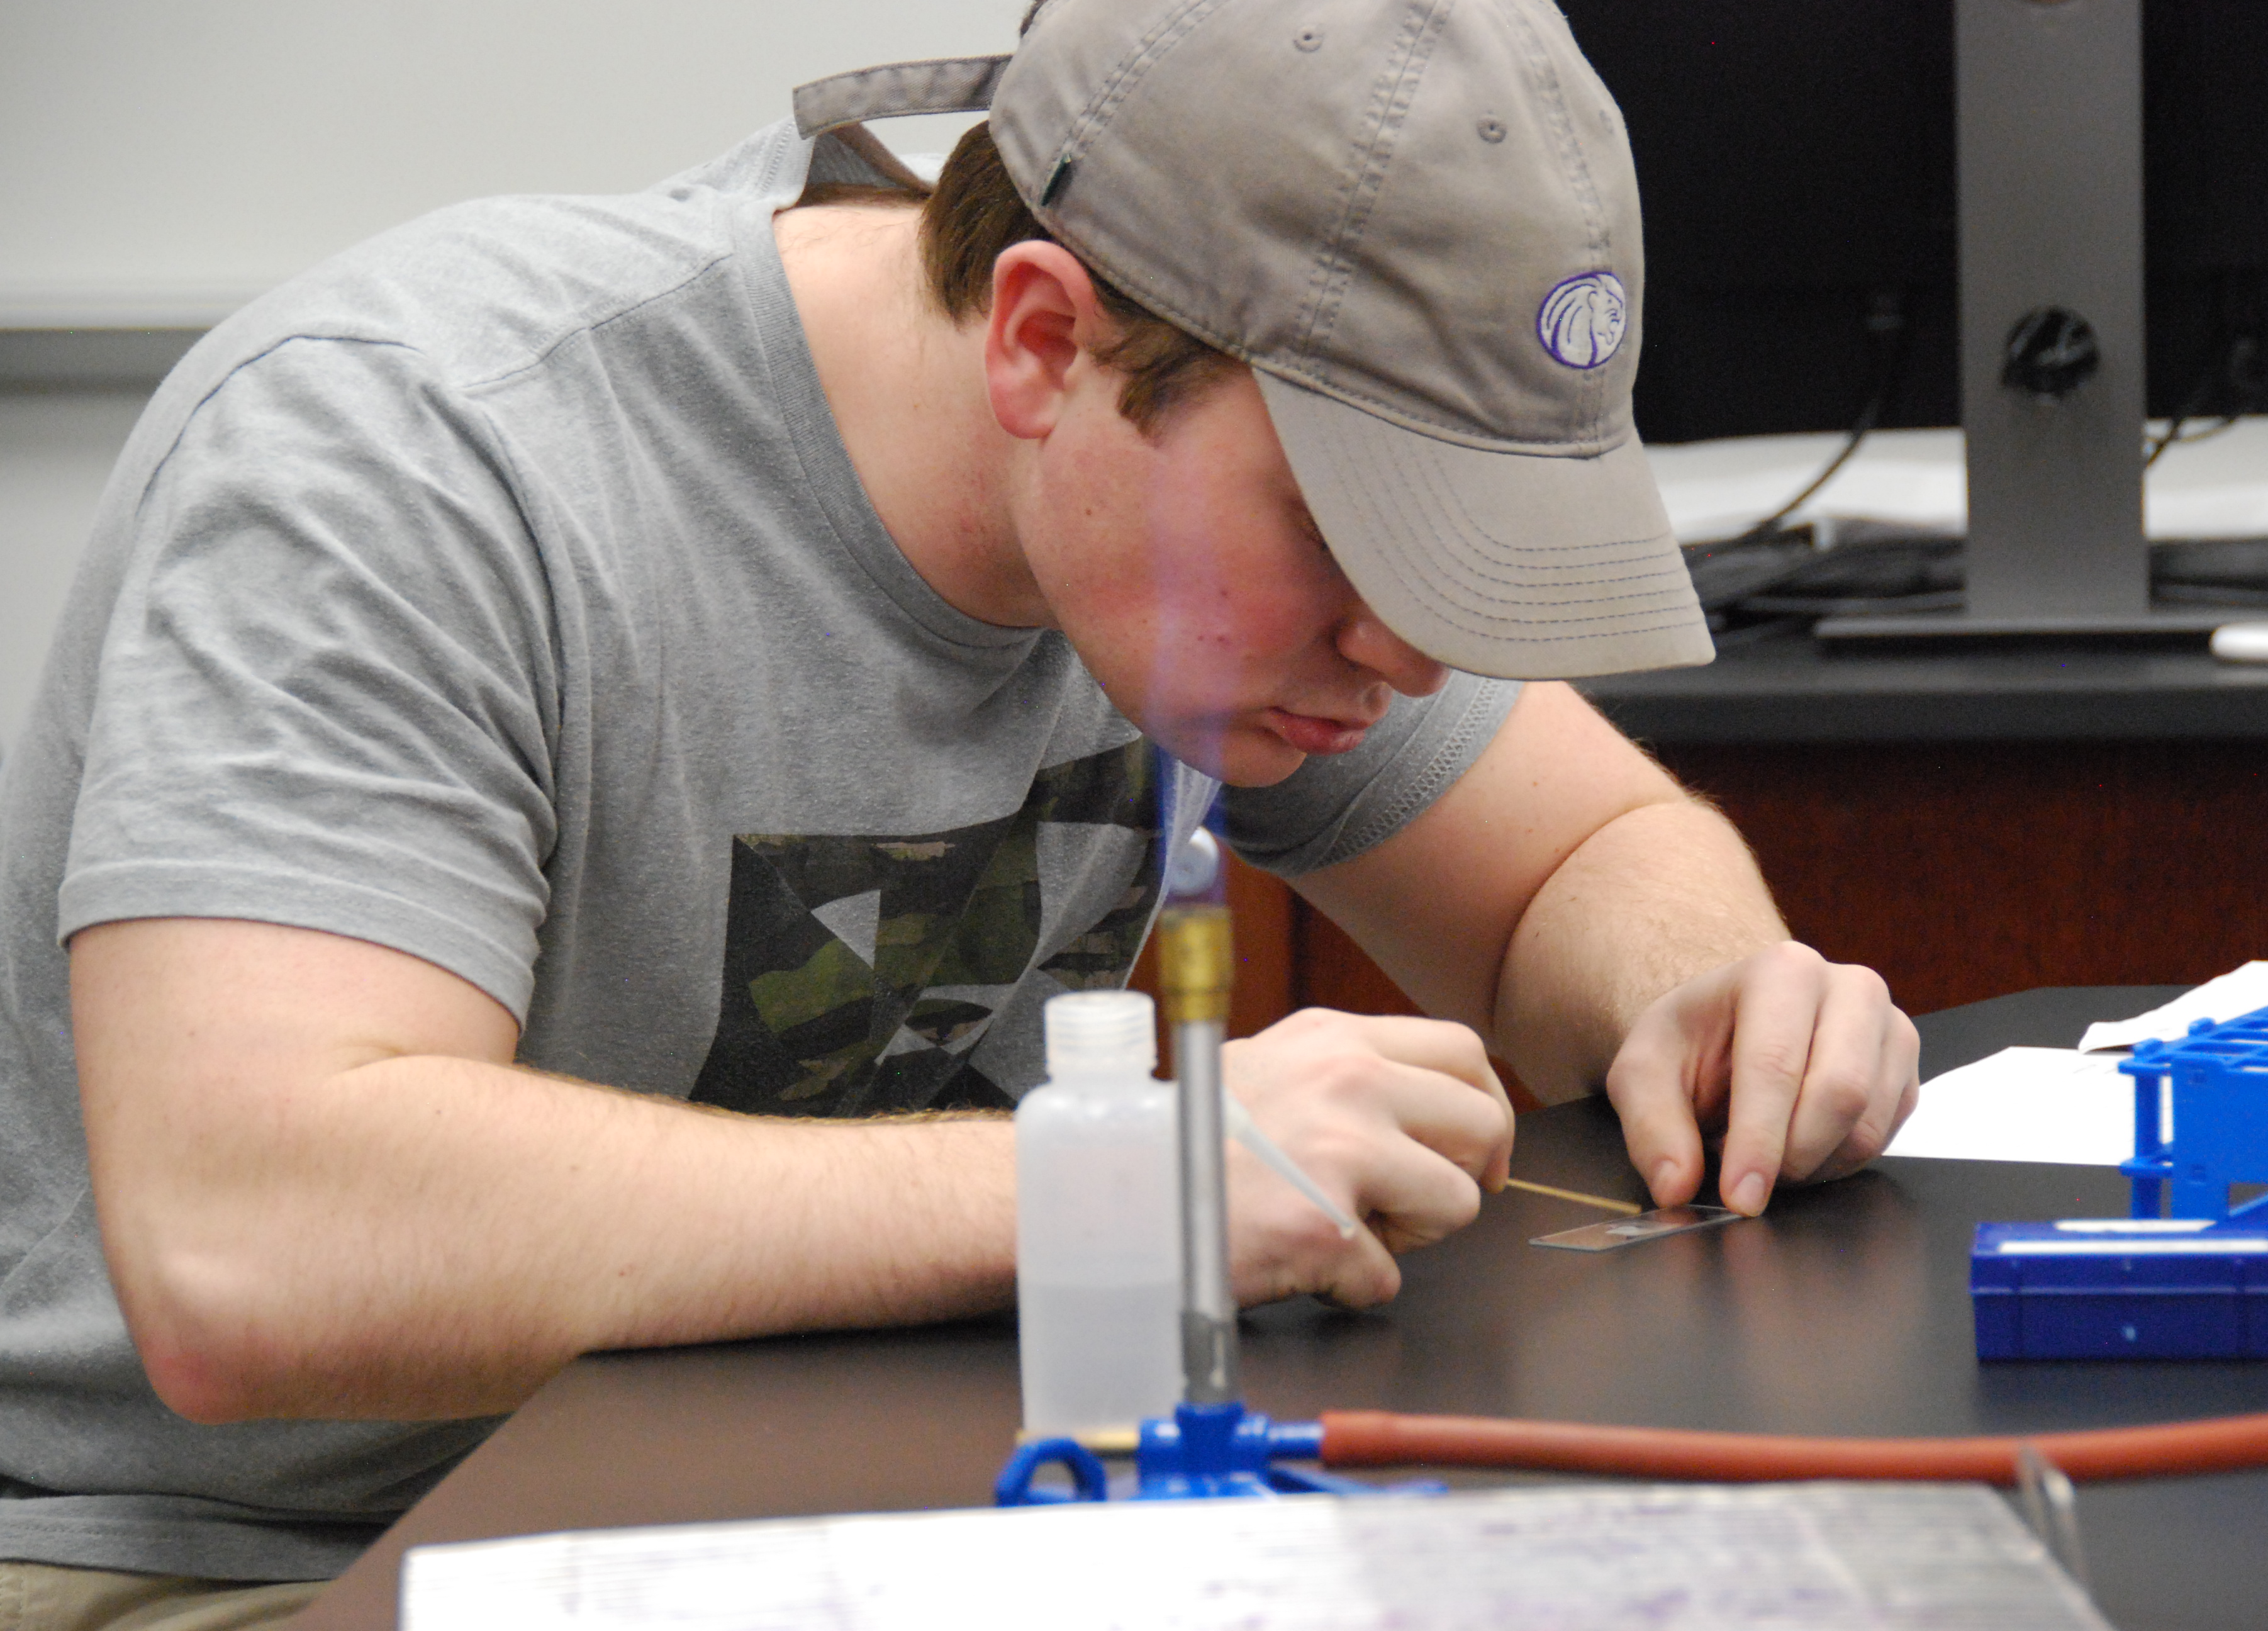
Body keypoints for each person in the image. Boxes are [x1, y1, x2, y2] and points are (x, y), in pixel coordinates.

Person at [0, 0, 1918, 1619]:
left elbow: (1575, 865)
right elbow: (250, 1255)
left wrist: (1719, 997)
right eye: (1359, 531)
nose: (1412, 650)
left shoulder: (1188, 529)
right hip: (267, 1562)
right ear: (1039, 340)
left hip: (828, 1497)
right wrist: (1129, 1182)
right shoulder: (416, 454)